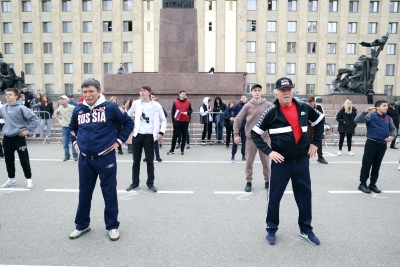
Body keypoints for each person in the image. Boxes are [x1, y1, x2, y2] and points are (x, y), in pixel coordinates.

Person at [251, 77, 324, 246]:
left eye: (289, 90)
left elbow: (320, 123)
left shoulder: (304, 108)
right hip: (281, 163)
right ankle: (271, 229)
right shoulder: (271, 112)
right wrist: (269, 152)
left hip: (301, 162)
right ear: (276, 94)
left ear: (292, 91)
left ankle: (306, 229)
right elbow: (255, 133)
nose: (286, 93)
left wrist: (314, 143)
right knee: (275, 197)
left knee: (305, 197)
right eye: (282, 91)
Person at [69, 78, 134, 241]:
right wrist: (75, 141)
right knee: (84, 193)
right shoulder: (79, 109)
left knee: (109, 193)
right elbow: (72, 128)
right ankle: (82, 225)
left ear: (98, 91)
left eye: (91, 91)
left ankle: (112, 226)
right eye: (84, 92)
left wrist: (119, 141)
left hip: (105, 157)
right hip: (84, 159)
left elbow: (129, 123)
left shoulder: (111, 107)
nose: (88, 95)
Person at [126, 86, 166, 193]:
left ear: (149, 92)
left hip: (149, 135)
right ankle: (135, 183)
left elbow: (164, 119)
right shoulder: (136, 104)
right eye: (140, 91)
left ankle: (150, 183)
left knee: (150, 161)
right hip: (138, 135)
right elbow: (128, 115)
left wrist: (161, 132)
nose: (142, 92)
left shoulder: (156, 105)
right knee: (136, 161)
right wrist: (132, 125)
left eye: (144, 91)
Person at [234, 84, 272, 192]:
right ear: (251, 92)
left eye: (259, 90)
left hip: (264, 138)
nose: (257, 92)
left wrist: (270, 131)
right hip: (251, 137)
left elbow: (275, 119)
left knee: (265, 161)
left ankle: (267, 181)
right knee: (249, 161)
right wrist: (236, 134)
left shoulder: (268, 105)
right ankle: (249, 181)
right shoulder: (247, 106)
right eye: (255, 90)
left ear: (261, 92)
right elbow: (237, 120)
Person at [0, 88, 39, 189]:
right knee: (8, 160)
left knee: (24, 159)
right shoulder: (3, 108)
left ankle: (29, 179)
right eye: (6, 94)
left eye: (10, 94)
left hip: (19, 137)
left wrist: (28, 130)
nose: (7, 96)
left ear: (16, 96)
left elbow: (35, 119)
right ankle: (11, 179)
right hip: (7, 137)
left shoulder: (22, 108)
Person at [355, 100, 396, 194]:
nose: (387, 107)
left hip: (382, 144)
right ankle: (362, 184)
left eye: (387, 105)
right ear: (377, 107)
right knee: (367, 164)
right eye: (384, 105)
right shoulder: (371, 116)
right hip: (372, 143)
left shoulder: (388, 118)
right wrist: (365, 112)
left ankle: (372, 184)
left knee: (377, 165)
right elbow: (356, 120)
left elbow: (393, 128)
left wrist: (392, 136)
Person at [143, 93, 166, 162]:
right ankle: (147, 156)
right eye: (151, 97)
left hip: (155, 127)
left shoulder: (158, 106)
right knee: (146, 143)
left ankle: (157, 156)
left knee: (155, 142)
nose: (152, 98)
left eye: (153, 97)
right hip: (147, 127)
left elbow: (164, 115)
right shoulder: (145, 106)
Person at [168, 90, 193, 155]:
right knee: (175, 135)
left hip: (185, 121)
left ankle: (182, 150)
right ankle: (172, 149)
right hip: (177, 121)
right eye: (182, 94)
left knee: (184, 136)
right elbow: (173, 112)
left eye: (184, 94)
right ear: (179, 94)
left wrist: (187, 113)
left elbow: (191, 110)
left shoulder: (188, 102)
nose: (183, 95)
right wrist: (173, 121)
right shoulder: (175, 102)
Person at [54, 95, 78, 161]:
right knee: (65, 142)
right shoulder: (60, 107)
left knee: (74, 141)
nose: (62, 100)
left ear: (67, 100)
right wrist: (59, 120)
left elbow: (78, 113)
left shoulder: (72, 107)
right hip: (64, 127)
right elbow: (55, 113)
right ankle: (66, 155)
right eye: (61, 99)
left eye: (64, 99)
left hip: (72, 127)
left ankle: (75, 155)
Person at [225, 95, 248, 161]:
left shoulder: (248, 106)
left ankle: (243, 155)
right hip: (238, 126)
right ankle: (233, 155)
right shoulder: (238, 106)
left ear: (247, 99)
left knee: (244, 142)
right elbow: (227, 110)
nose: (244, 98)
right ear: (240, 99)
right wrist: (230, 117)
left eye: (245, 97)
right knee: (235, 141)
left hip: (245, 126)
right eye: (242, 97)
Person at [307, 96, 328, 164]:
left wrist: (317, 123)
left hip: (318, 126)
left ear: (314, 101)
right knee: (308, 141)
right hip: (310, 126)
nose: (311, 104)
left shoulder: (319, 106)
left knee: (319, 141)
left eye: (312, 102)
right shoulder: (307, 107)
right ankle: (307, 158)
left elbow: (322, 115)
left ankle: (320, 157)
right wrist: (311, 123)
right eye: (310, 102)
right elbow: (306, 117)